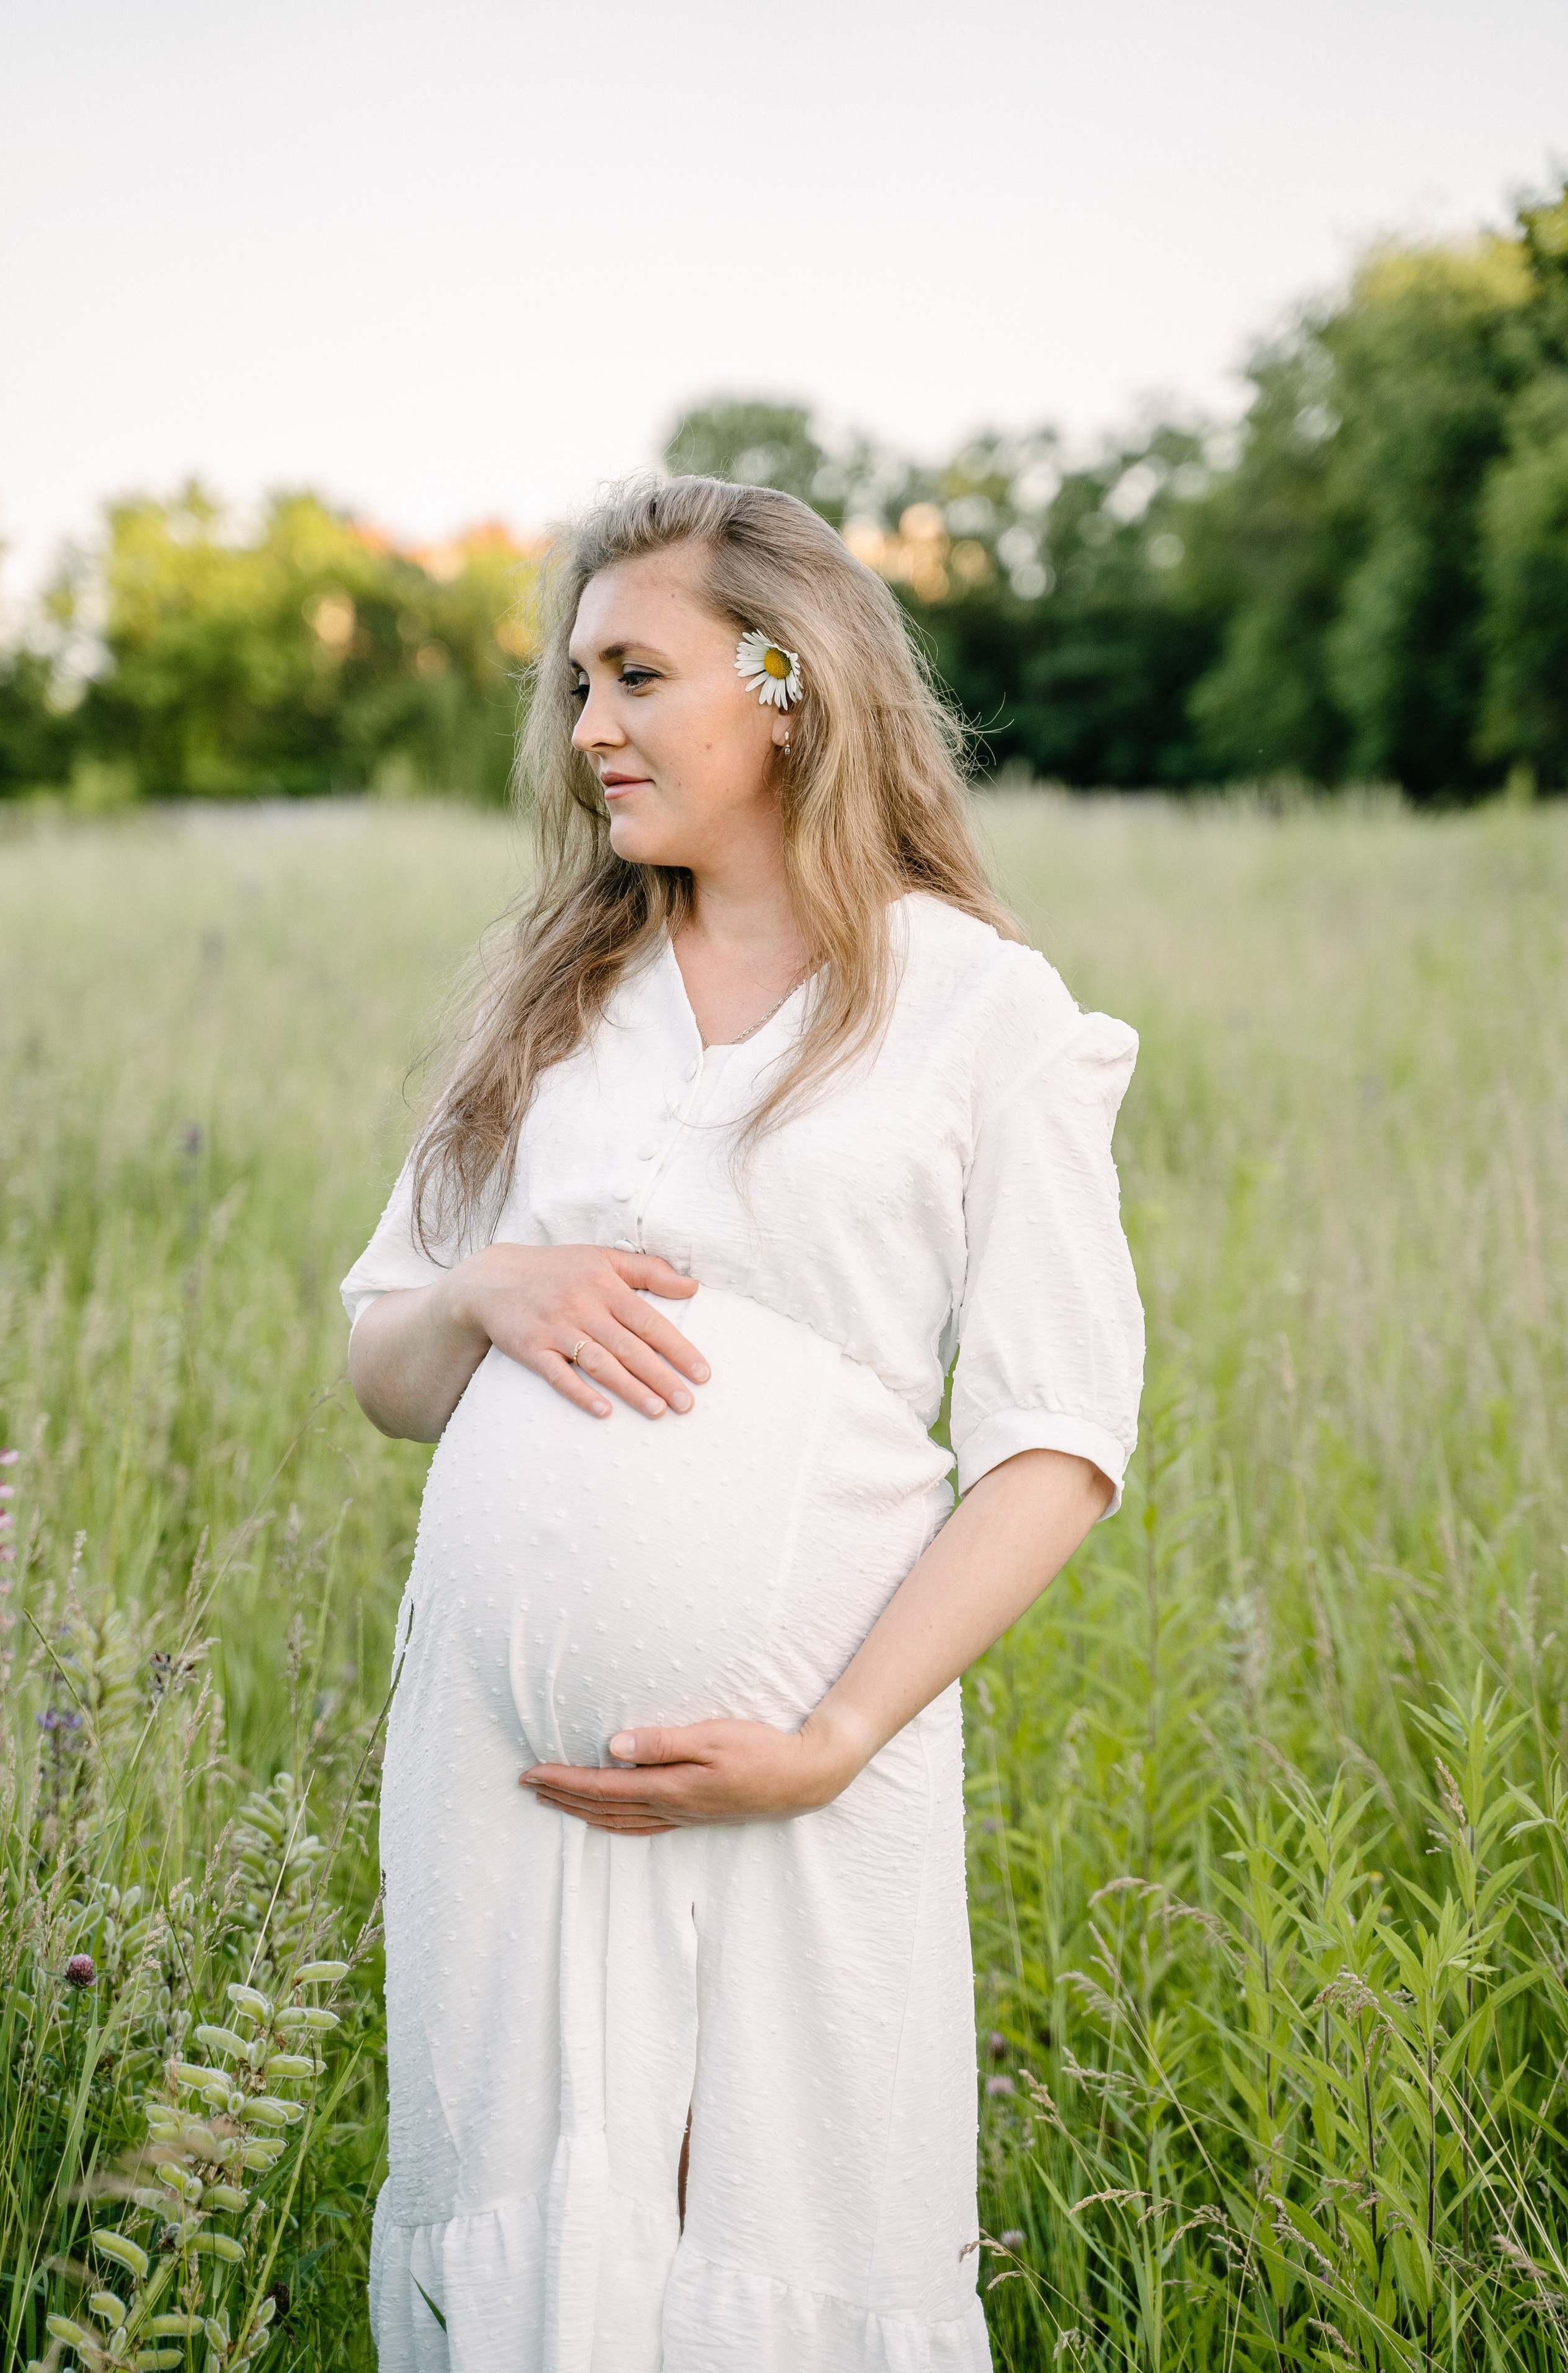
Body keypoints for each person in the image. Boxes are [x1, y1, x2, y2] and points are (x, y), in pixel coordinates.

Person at [341, 475, 1144, 2373]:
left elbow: (1060, 1436)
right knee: (536, 2241)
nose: (587, 727)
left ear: (789, 686)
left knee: (764, 2242)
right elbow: (384, 1362)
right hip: (499, 1788)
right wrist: (483, 1290)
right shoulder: (560, 997)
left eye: (638, 675)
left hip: (803, 1770)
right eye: (576, 684)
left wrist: (830, 1742)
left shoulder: (980, 1008)